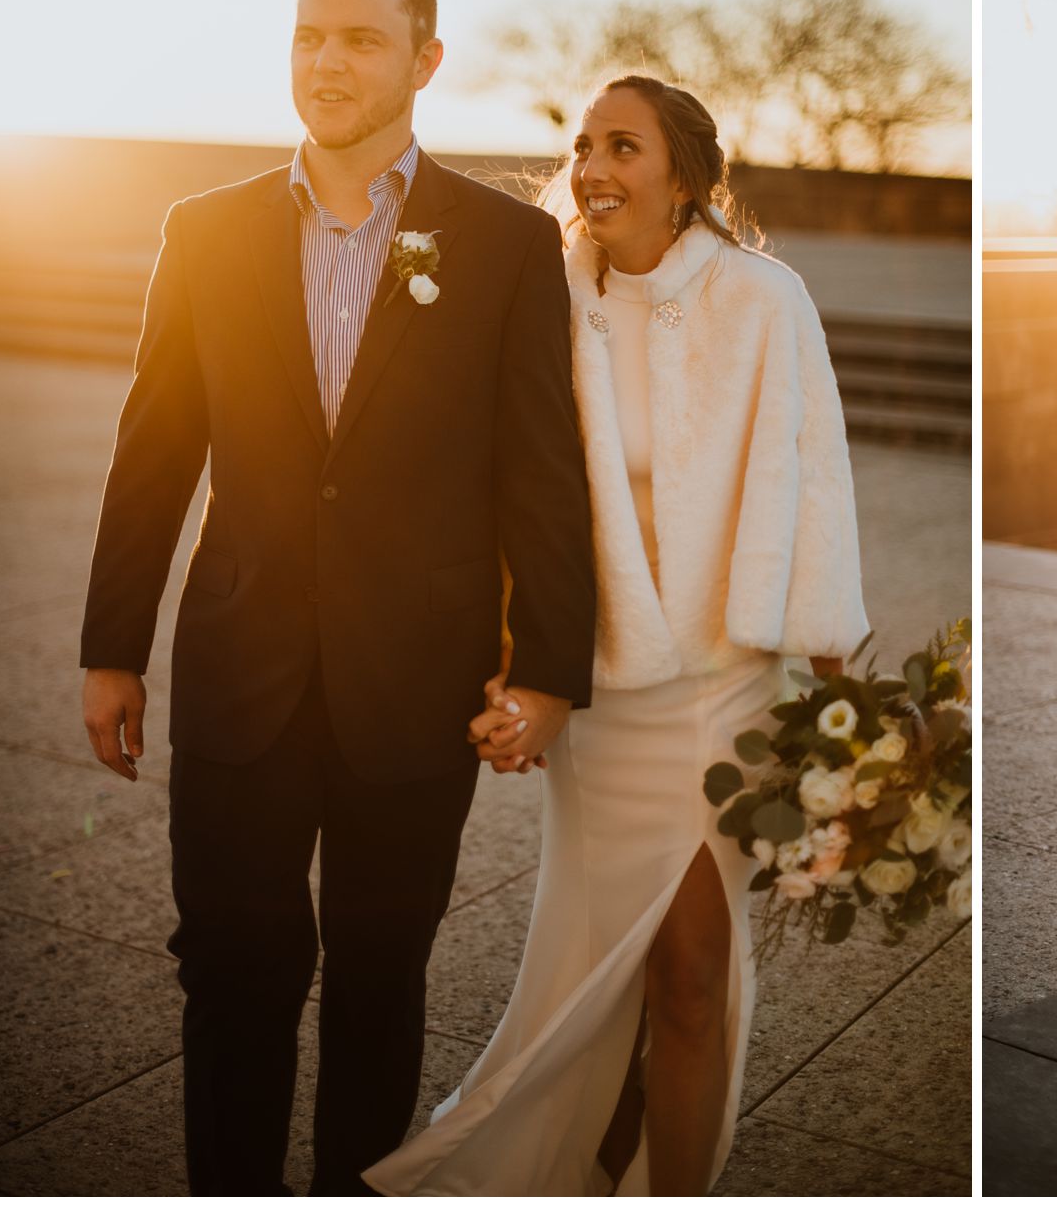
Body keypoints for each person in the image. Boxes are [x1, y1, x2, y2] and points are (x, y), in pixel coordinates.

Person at [78, 0, 596, 1193]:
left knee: (380, 974)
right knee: (231, 972)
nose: (327, 61)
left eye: (361, 38)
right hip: (237, 672)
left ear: (424, 59)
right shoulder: (204, 231)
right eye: (309, 34)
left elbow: (540, 470)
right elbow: (155, 452)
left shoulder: (505, 243)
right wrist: (111, 648)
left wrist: (546, 671)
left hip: (416, 683)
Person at [366, 75, 870, 1196]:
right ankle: (590, 1151)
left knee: (689, 973)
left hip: (728, 688)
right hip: (597, 691)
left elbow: (816, 489)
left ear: (684, 176)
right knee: (610, 971)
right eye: (585, 145)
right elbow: (504, 493)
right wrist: (518, 667)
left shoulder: (765, 298)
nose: (592, 168)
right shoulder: (543, 291)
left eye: (623, 147)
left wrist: (847, 715)